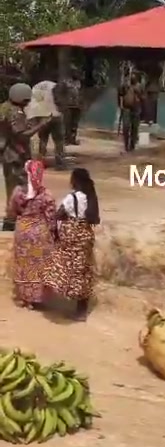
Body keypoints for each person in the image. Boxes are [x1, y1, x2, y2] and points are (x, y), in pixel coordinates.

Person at [43, 167, 100, 320]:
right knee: (84, 271)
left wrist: (55, 233)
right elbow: (94, 219)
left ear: (74, 181)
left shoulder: (71, 198)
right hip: (86, 236)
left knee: (63, 266)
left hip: (71, 236)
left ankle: (56, 294)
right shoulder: (91, 197)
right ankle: (81, 309)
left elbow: (58, 215)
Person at [0, 83, 50, 231]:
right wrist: (42, 124)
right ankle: (11, 222)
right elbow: (22, 135)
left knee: (13, 187)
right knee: (18, 189)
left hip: (8, 153)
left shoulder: (4, 107)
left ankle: (11, 222)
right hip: (15, 154)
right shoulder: (15, 112)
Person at [7, 159, 56, 309]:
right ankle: (37, 298)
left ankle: (24, 298)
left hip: (23, 231)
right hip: (40, 232)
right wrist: (53, 232)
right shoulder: (46, 194)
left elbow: (11, 211)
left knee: (23, 265)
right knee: (38, 265)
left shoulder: (18, 192)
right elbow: (52, 216)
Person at [35, 80, 67, 169]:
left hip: (50, 117)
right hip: (48, 117)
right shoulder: (46, 88)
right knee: (47, 139)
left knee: (52, 140)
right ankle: (44, 162)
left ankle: (56, 162)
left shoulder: (60, 91)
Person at [119, 73, 144, 152]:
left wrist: (138, 93)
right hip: (126, 108)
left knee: (134, 128)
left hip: (136, 109)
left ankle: (132, 145)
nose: (132, 78)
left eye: (134, 77)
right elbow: (120, 94)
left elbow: (143, 97)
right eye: (131, 77)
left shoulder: (139, 86)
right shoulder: (125, 86)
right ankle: (126, 146)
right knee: (126, 127)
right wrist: (120, 105)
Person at [64, 72, 82, 146]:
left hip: (77, 106)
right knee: (67, 123)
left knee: (74, 124)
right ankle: (66, 140)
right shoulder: (67, 83)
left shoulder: (79, 83)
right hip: (68, 106)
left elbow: (80, 94)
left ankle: (72, 139)